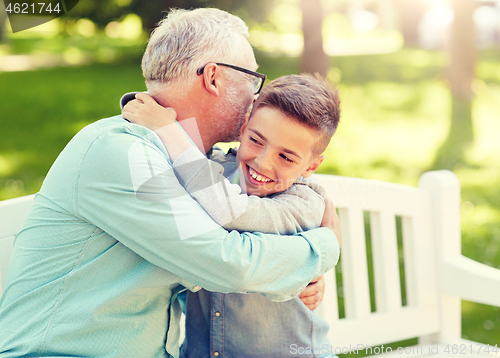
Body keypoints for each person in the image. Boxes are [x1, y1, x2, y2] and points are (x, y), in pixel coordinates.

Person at [0, 8, 341, 358]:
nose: (255, 97)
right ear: (214, 78)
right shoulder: (126, 155)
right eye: (252, 79)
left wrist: (295, 269)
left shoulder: (190, 163)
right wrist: (323, 247)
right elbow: (227, 264)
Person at [122, 73, 341, 357]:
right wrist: (156, 116)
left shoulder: (305, 203)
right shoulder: (215, 168)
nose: (262, 162)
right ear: (244, 126)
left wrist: (167, 128)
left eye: (286, 157)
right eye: (256, 140)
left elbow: (231, 210)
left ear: (311, 166)